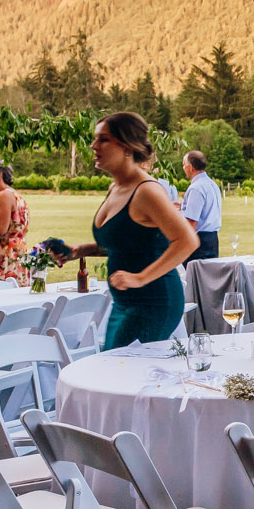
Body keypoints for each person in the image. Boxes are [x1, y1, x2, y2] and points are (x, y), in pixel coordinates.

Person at [56, 112, 198, 349]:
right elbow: (129, 243)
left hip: (154, 301)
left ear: (126, 146)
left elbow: (187, 241)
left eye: (103, 139)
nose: (93, 146)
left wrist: (140, 278)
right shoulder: (116, 187)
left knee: (124, 371)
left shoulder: (146, 191)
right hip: (124, 302)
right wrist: (81, 250)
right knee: (119, 368)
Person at [179, 150, 223, 260]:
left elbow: (192, 222)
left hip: (199, 243)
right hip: (212, 240)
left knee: (196, 276)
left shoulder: (196, 188)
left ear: (190, 167)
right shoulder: (211, 184)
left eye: (184, 165)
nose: (183, 168)